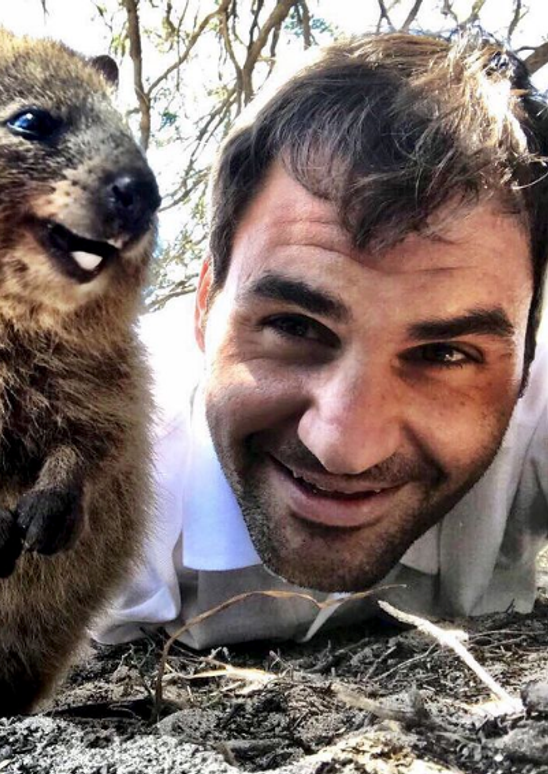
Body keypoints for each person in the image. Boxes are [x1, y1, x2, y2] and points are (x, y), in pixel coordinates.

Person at [97, 30, 548, 649]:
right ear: (204, 307)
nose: (344, 448)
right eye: (296, 326)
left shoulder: (538, 416)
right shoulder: (93, 465)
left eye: (445, 354)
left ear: (529, 356)